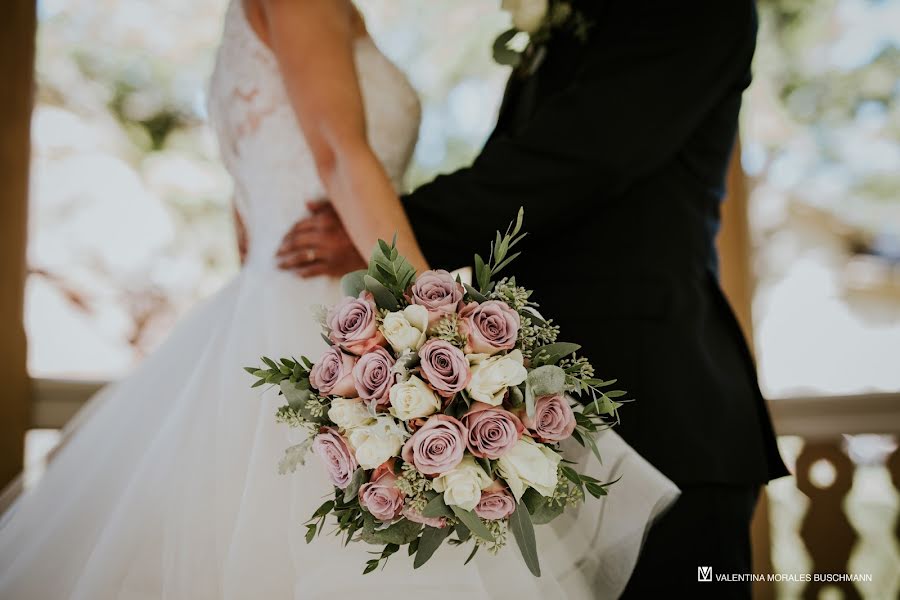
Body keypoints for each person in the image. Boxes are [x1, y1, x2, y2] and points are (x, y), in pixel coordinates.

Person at [0, 1, 677, 597]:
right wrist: (437, 322)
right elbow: (338, 154)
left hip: (273, 305)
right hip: (328, 313)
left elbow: (252, 218)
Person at [281, 1, 789, 596]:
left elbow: (581, 157)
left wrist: (388, 228)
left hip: (662, 417)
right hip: (528, 421)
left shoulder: (693, 11)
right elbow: (515, 170)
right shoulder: (567, 18)